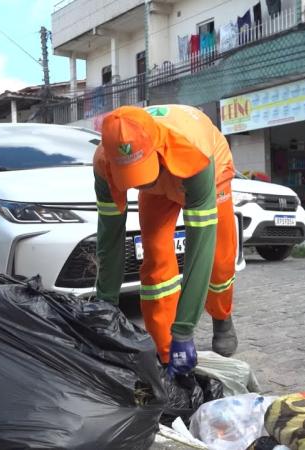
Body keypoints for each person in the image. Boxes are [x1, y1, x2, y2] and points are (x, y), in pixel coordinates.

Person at [93, 104, 238, 378]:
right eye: (131, 176)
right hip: (159, 175)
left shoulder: (194, 153)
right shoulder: (103, 164)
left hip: (203, 170)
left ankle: (222, 317)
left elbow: (200, 247)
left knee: (219, 260)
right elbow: (109, 241)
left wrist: (185, 328)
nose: (140, 185)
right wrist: (105, 308)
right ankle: (166, 350)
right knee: (156, 255)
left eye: (140, 173)